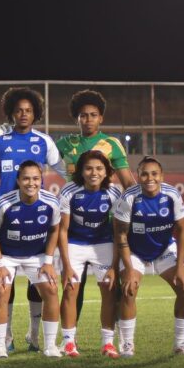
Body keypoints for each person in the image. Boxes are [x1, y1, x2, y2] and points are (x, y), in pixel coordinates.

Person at [0, 87, 64, 353]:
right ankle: (5, 338)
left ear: (35, 114)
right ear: (11, 113)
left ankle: (36, 336)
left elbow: (64, 169)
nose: (23, 114)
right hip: (7, 214)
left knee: (40, 285)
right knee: (4, 287)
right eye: (19, 110)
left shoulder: (44, 141)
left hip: (34, 215)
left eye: (29, 111)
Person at [55, 90, 135, 339]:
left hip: (105, 226)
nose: (88, 119)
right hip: (75, 224)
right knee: (73, 288)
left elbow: (129, 184)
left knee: (112, 286)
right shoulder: (65, 144)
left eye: (93, 115)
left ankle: (117, 339)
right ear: (76, 118)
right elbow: (35, 162)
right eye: (83, 115)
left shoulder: (111, 144)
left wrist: (131, 216)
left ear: (101, 118)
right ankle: (70, 340)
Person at [113, 156, 184, 357]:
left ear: (162, 176)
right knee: (129, 290)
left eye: (154, 174)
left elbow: (182, 230)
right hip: (135, 251)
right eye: (144, 174)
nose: (150, 178)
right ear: (138, 176)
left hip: (163, 250)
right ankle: (127, 344)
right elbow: (120, 234)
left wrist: (180, 266)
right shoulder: (129, 197)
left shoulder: (172, 194)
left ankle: (180, 343)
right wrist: (129, 269)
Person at [0, 160, 63, 358]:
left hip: (37, 256)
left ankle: (50, 346)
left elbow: (55, 230)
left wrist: (48, 261)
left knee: (51, 290)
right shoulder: (4, 203)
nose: (31, 183)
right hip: (7, 256)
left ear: (41, 180)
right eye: (26, 179)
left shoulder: (51, 202)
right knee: (1, 292)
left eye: (36, 179)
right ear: (18, 180)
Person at [57, 150, 123, 358]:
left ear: (106, 171)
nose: (94, 173)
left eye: (99, 168)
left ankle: (108, 343)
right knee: (70, 290)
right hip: (75, 244)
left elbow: (118, 231)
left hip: (103, 244)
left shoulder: (114, 193)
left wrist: (114, 266)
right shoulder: (69, 191)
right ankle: (69, 342)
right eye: (89, 168)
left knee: (109, 289)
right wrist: (66, 265)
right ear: (81, 171)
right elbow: (62, 230)